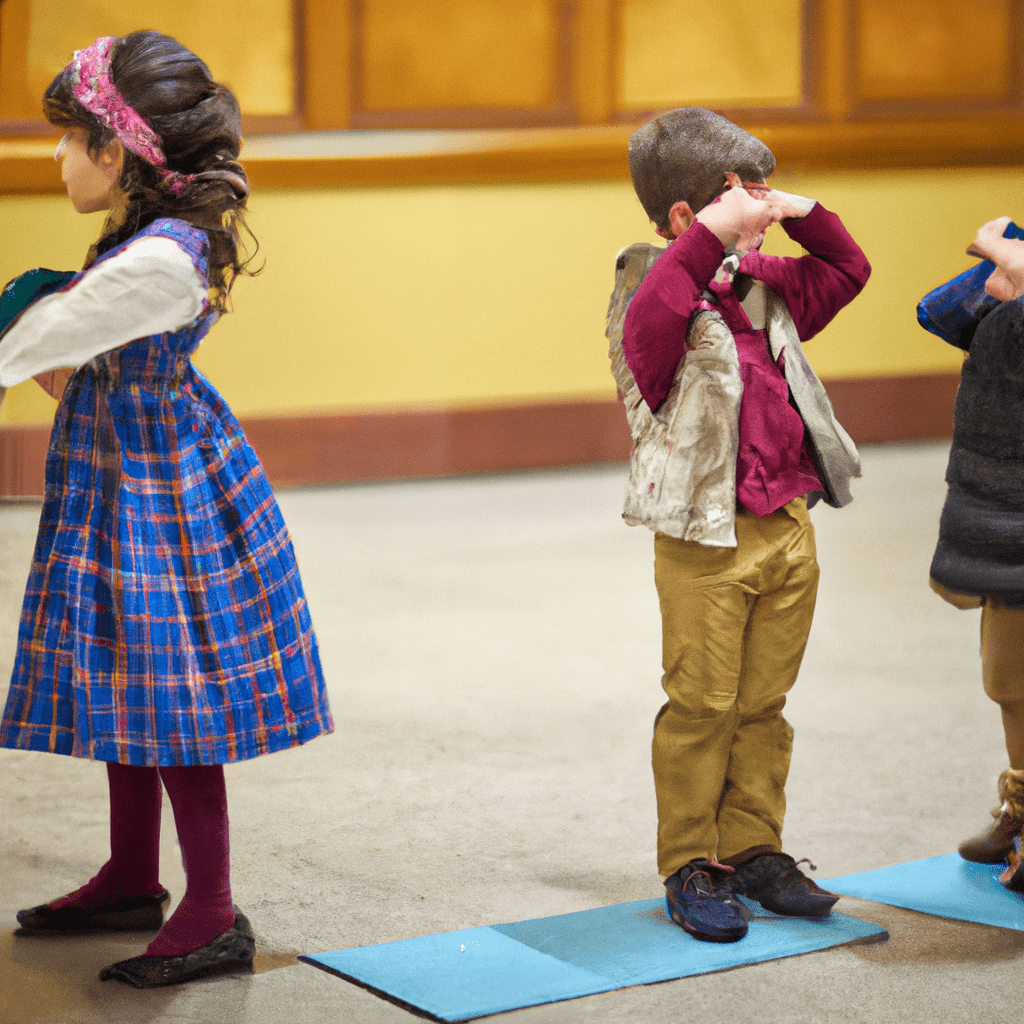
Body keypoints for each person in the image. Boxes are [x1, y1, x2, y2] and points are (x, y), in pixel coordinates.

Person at [0, 32, 333, 987]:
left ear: (119, 150)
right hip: (123, 468)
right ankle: (134, 874)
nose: (57, 158)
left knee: (171, 690)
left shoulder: (163, 257)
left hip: (161, 491)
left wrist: (29, 339)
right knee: (123, 675)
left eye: (69, 138)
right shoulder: (146, 238)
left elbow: (53, 332)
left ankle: (213, 908)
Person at [606, 108, 870, 942]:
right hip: (704, 541)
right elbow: (658, 323)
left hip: (787, 524)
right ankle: (692, 861)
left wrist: (797, 208)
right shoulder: (649, 288)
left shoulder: (764, 283)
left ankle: (755, 846)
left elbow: (848, 268)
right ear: (690, 217)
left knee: (764, 703)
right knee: (702, 705)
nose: (760, 205)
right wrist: (713, 234)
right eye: (743, 194)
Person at [921, 215, 1024, 894]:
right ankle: (1022, 806)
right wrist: (1002, 257)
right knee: (1009, 678)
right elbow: (942, 314)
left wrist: (1005, 256)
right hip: (1003, 508)